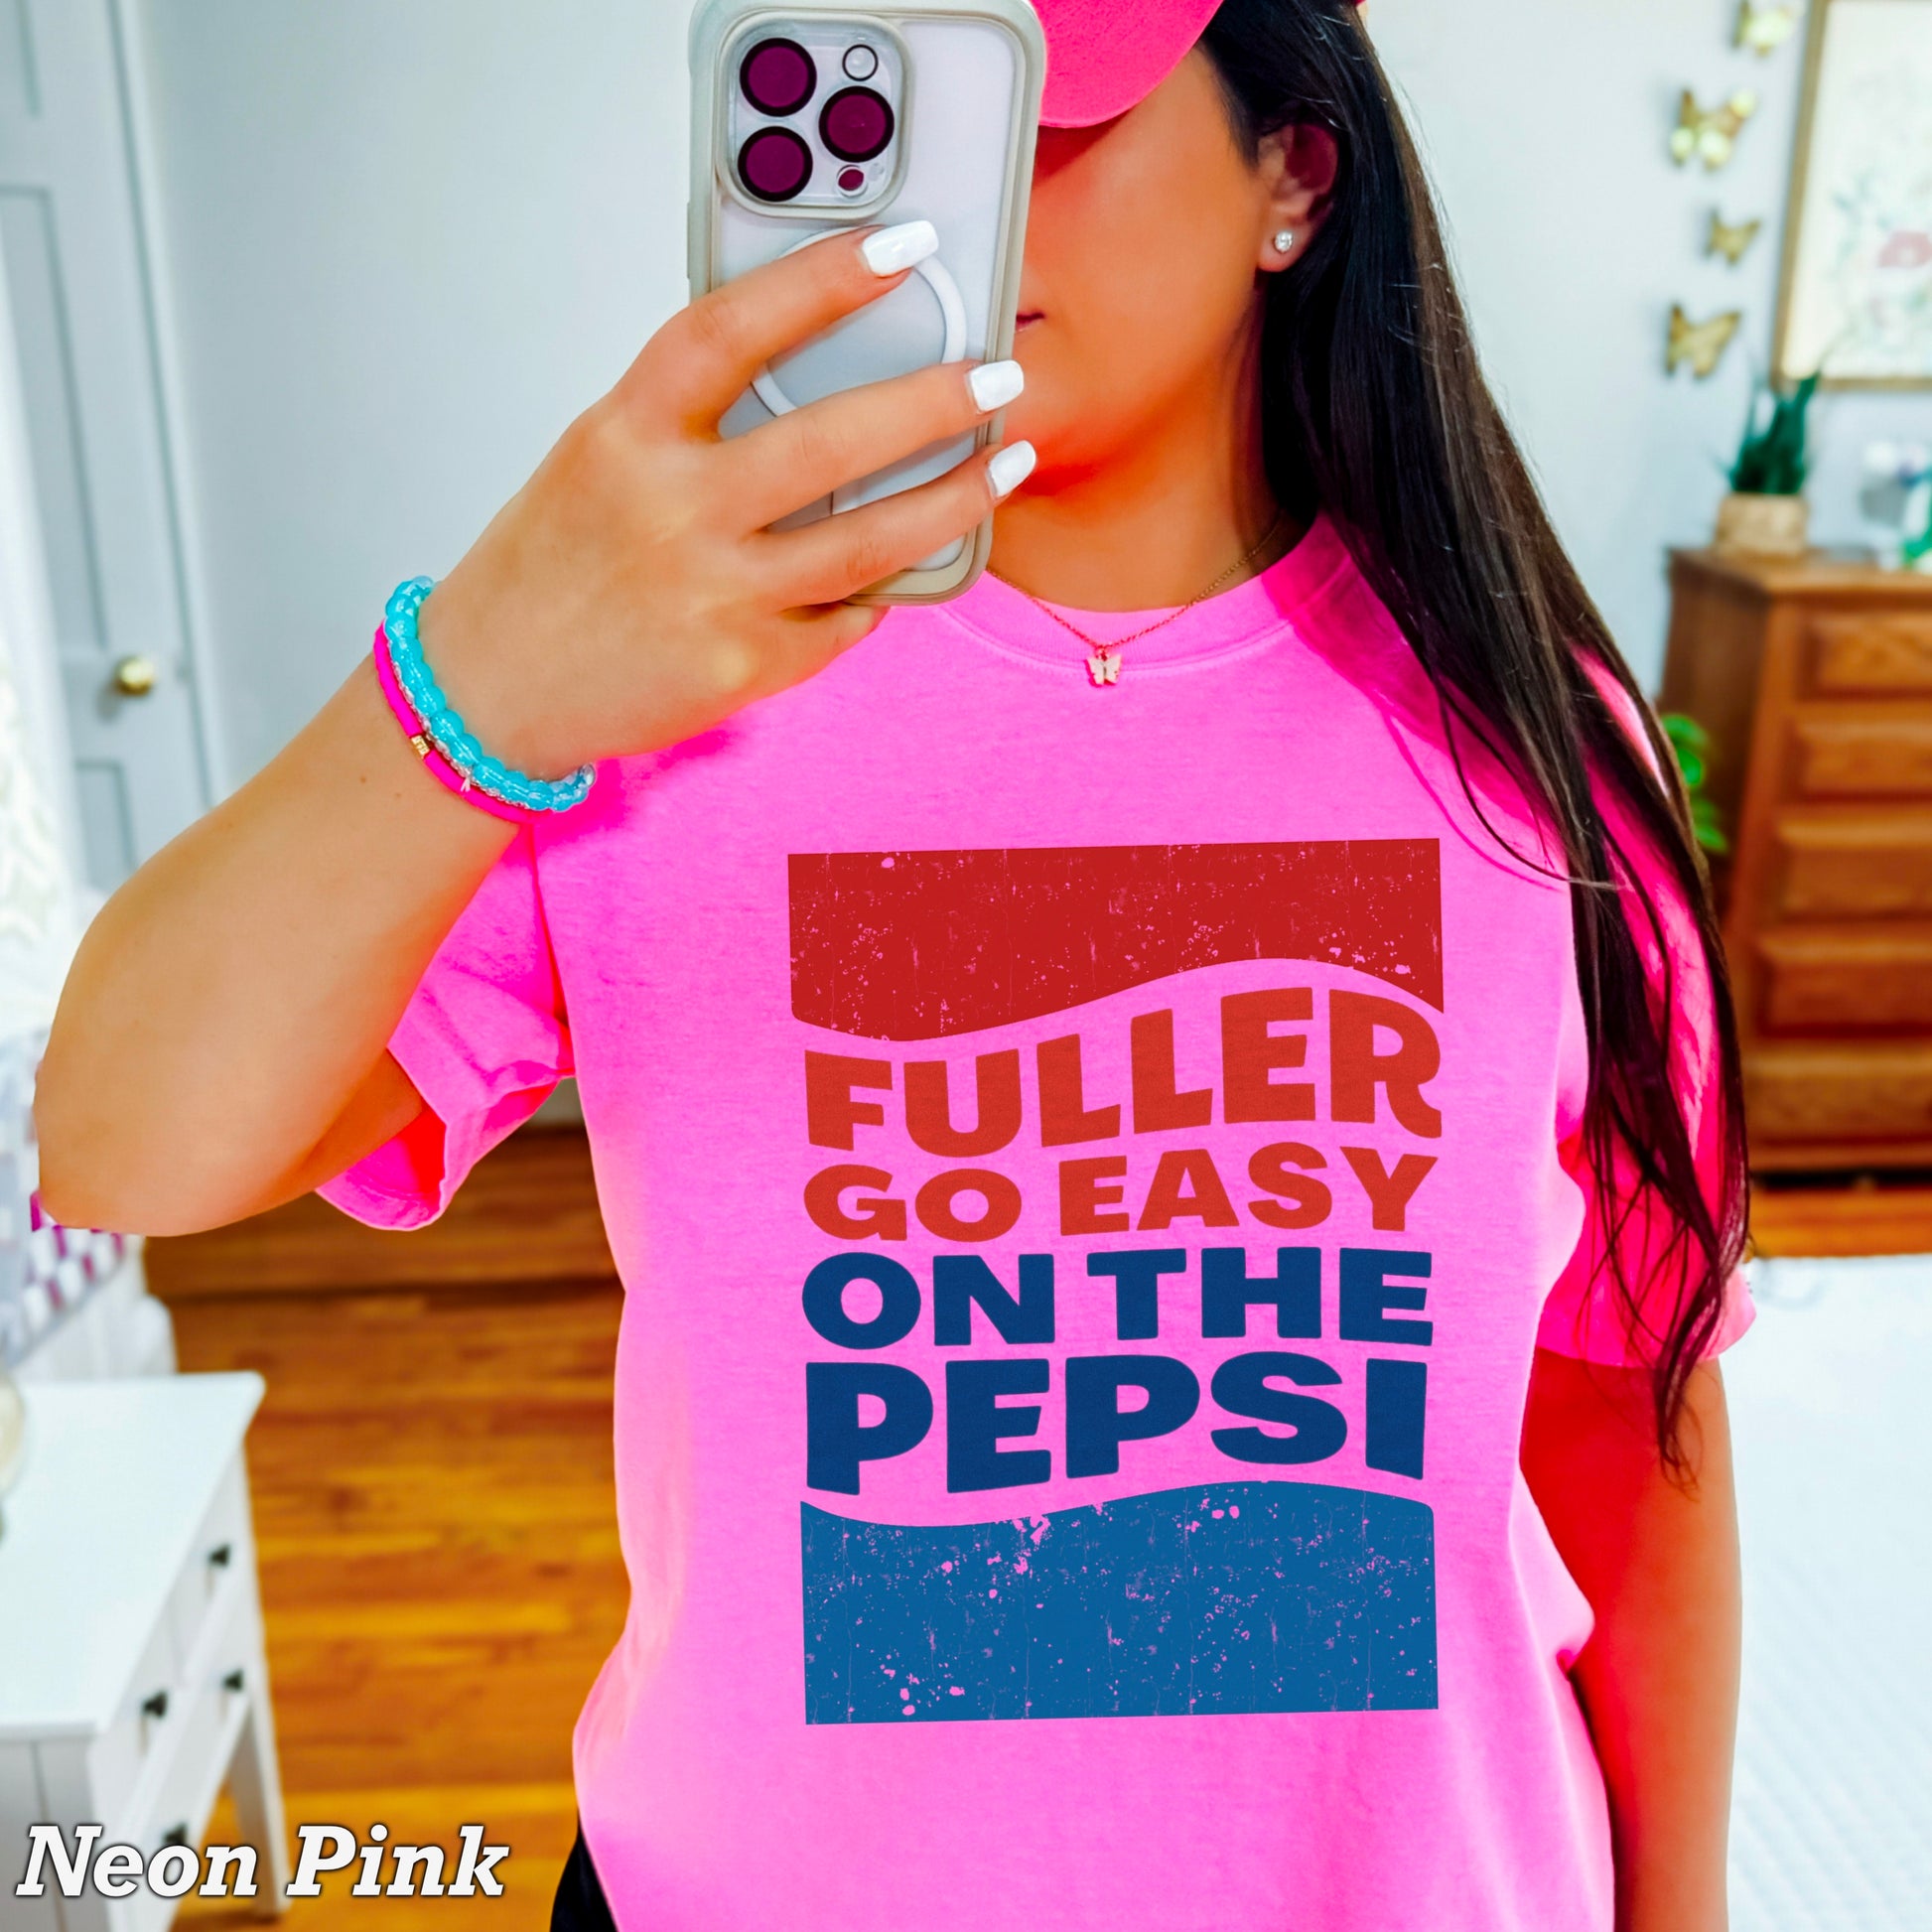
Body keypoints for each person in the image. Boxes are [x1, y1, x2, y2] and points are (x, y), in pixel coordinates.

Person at [37, 1, 1751, 1926]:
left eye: (1039, 119)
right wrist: (485, 660)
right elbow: (117, 1146)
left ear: (1295, 170)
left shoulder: (1531, 750)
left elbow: (1630, 1408)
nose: (955, 211)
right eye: (906, 126)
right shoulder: (661, 695)